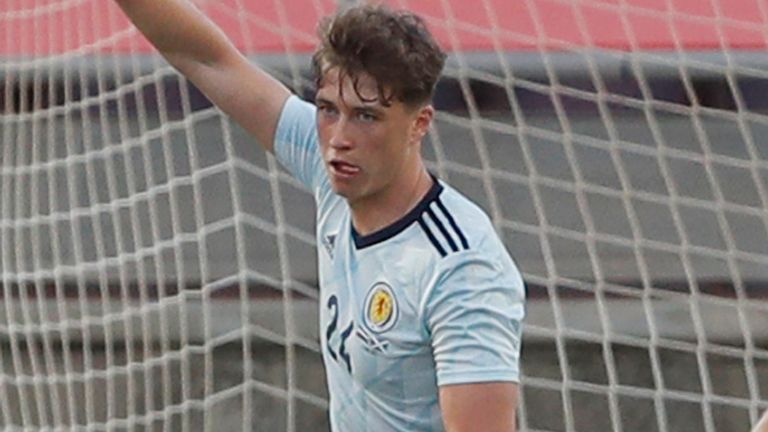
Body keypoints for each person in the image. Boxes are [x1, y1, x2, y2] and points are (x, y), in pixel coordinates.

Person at [115, 1, 526, 430]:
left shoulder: (461, 267)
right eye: (329, 109)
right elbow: (205, 58)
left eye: (367, 117)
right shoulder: (329, 163)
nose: (340, 138)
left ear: (419, 123)